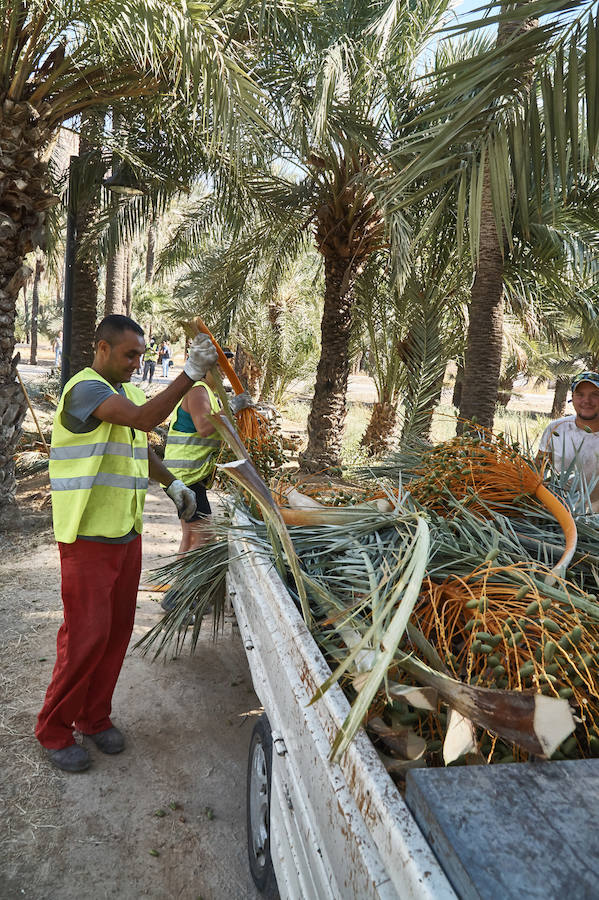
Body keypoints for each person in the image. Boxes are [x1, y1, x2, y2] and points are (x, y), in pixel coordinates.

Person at [35, 315, 218, 773]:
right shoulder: (85, 390)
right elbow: (142, 419)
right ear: (102, 349)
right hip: (86, 537)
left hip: (125, 533)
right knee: (85, 636)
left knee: (116, 633)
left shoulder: (129, 392)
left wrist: (175, 486)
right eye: (129, 354)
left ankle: (94, 718)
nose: (137, 363)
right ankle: (53, 729)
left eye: (141, 354)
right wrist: (190, 374)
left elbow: (141, 444)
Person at [163, 373, 253, 555]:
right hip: (186, 476)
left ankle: (180, 582)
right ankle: (188, 582)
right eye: (217, 367)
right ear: (205, 369)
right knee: (204, 538)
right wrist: (232, 407)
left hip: (185, 475)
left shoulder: (207, 393)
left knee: (191, 537)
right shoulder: (198, 390)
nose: (223, 372)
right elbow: (204, 427)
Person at [537, 371, 599, 511]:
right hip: (556, 514)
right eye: (580, 394)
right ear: (572, 397)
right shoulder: (556, 429)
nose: (586, 401)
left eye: (595, 395)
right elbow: (538, 470)